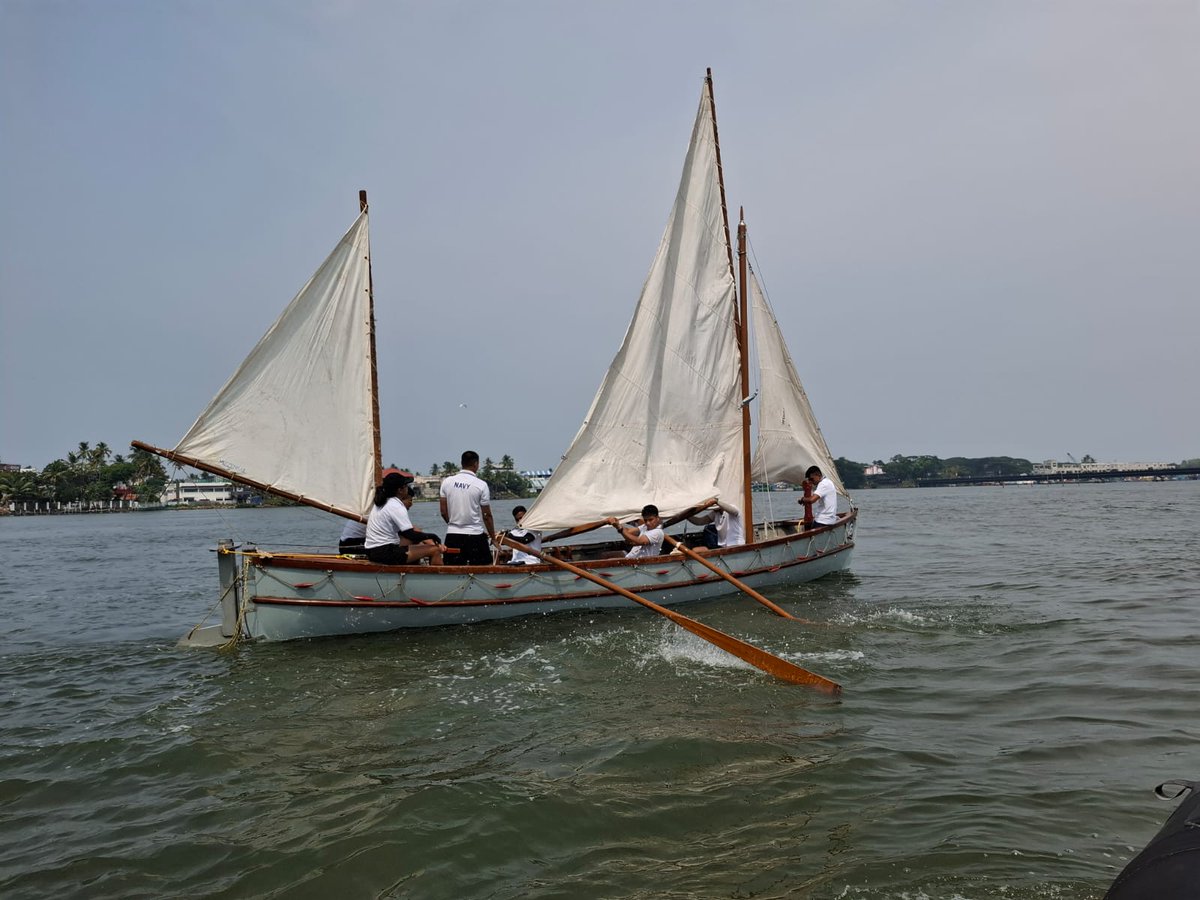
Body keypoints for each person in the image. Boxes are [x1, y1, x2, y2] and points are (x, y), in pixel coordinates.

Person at [365, 471, 446, 565]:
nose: (408, 488)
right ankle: (436, 578)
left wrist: (424, 538)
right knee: (435, 550)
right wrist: (432, 536)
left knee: (416, 546)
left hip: (372, 551)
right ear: (400, 490)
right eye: (406, 486)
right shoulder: (396, 505)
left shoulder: (381, 502)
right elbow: (409, 534)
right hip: (385, 553)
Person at [439, 450, 496, 565]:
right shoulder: (481, 485)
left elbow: (443, 512)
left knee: (453, 570)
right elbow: (487, 515)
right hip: (475, 535)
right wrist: (493, 538)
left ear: (462, 463)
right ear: (476, 464)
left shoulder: (447, 482)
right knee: (483, 569)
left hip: (452, 535)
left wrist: (454, 524)